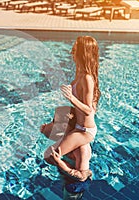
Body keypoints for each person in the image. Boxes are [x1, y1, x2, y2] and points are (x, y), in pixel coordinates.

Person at [43, 35, 101, 181]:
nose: (71, 52)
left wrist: (71, 97)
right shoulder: (79, 72)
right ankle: (75, 150)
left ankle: (79, 169)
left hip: (84, 131)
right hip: (77, 125)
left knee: (50, 158)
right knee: (47, 130)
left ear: (82, 53)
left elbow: (88, 110)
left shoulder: (87, 78)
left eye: (75, 49)